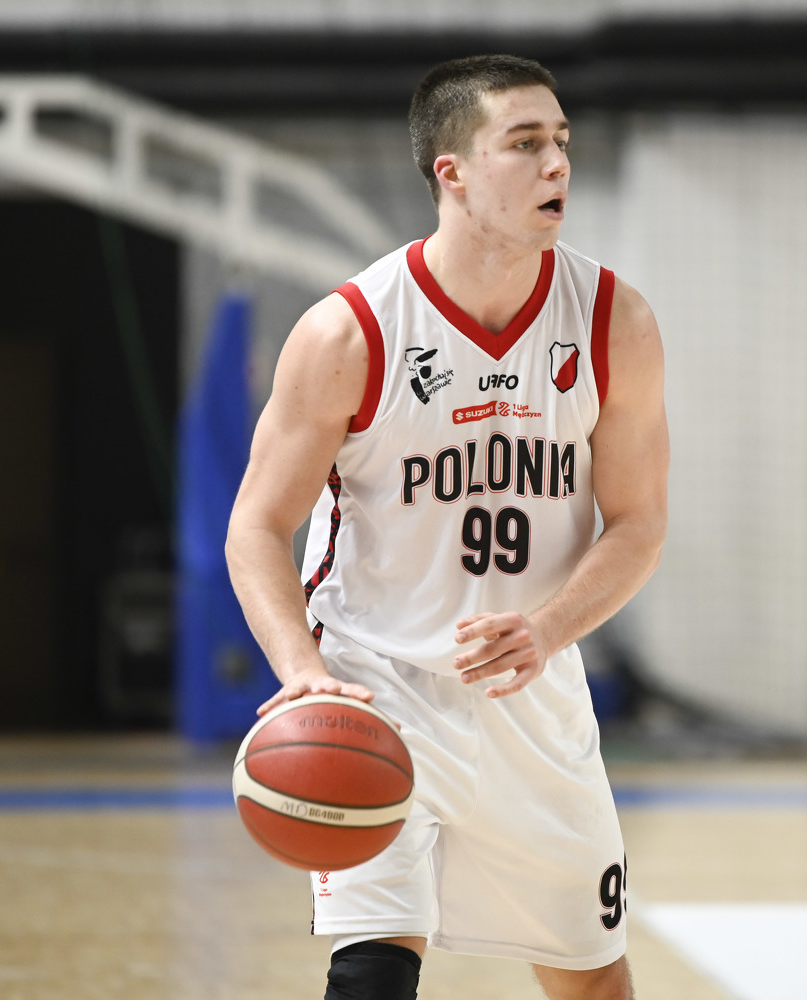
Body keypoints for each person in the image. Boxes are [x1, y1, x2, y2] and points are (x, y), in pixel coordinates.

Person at [225, 53, 668, 1000]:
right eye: (525, 143)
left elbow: (637, 524)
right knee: (374, 969)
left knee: (594, 983)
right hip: (380, 685)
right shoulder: (349, 332)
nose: (557, 164)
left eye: (561, 142)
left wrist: (547, 628)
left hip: (533, 695)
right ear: (452, 172)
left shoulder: (613, 321)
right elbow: (255, 526)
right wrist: (304, 675)